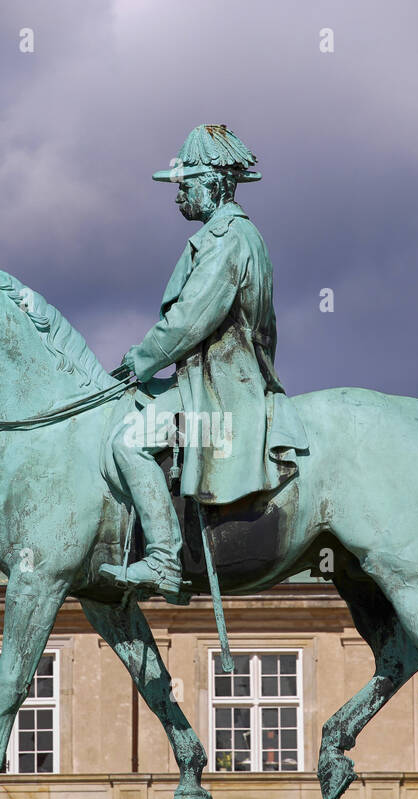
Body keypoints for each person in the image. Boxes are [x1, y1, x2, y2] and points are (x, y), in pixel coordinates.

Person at [100, 125, 309, 601]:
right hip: (208, 381)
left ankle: (163, 561)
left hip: (220, 398)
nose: (178, 197)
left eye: (186, 184)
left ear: (215, 184)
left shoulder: (228, 239)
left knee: (130, 442)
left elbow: (191, 319)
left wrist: (140, 361)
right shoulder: (231, 235)